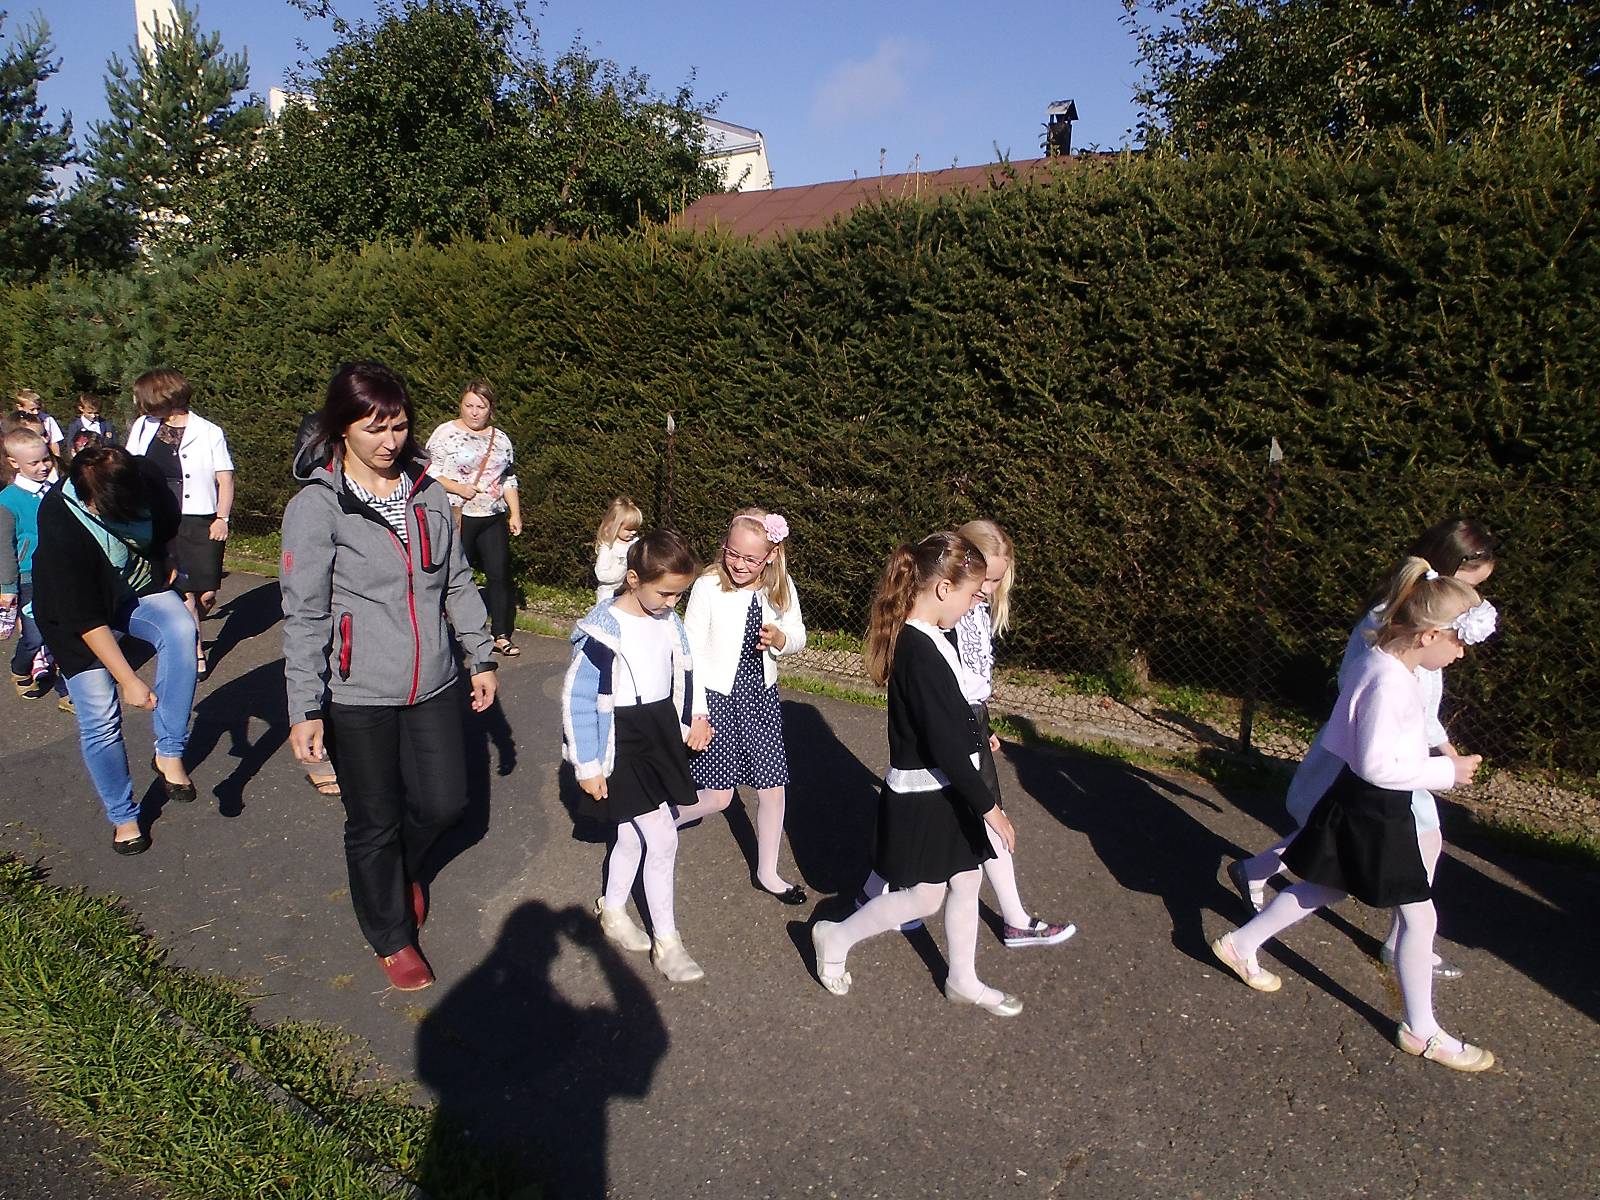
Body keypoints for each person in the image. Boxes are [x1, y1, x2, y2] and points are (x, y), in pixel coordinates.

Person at [1210, 559, 1496, 1072]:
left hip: (1363, 803)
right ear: (1430, 635)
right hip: (1376, 811)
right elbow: (1376, 765)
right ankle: (1422, 1031)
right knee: (1420, 917)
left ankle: (1241, 943)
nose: (1460, 655)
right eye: (1459, 644)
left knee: (1325, 886)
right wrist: (1446, 772)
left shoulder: (1382, 661)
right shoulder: (1392, 682)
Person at [282, 362, 499, 993]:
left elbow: (455, 580)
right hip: (356, 692)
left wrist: (480, 654)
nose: (389, 441)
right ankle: (390, 932)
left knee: (445, 802)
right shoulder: (317, 506)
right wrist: (304, 706)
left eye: (399, 426)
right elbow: (304, 613)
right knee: (372, 820)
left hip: (434, 679)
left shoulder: (427, 492)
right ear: (341, 429)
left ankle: (399, 870)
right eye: (373, 428)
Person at [810, 531, 1022, 1016]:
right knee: (925, 898)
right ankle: (835, 936)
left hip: (947, 791)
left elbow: (952, 717)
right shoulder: (918, 648)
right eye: (972, 594)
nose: (976, 604)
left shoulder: (935, 636)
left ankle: (963, 979)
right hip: (926, 796)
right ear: (944, 589)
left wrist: (977, 736)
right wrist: (991, 809)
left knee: (966, 879)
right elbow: (942, 744)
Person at [562, 528, 713, 984]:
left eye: (679, 594)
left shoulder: (668, 621)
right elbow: (578, 700)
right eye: (665, 593)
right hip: (621, 741)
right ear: (633, 579)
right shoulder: (602, 631)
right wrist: (588, 766)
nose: (672, 602)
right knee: (663, 838)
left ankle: (612, 910)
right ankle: (667, 942)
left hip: (659, 732)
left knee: (631, 834)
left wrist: (696, 715)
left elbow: (686, 670)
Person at [31, 446, 196, 855]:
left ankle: (169, 752)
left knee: (180, 628)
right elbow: (85, 617)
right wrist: (129, 680)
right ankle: (124, 815)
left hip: (131, 589)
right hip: (74, 617)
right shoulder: (60, 519)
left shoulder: (145, 476)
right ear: (92, 501)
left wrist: (170, 558)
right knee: (100, 714)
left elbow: (167, 524)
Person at [674, 508, 808, 903]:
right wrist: (697, 713)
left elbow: (798, 633)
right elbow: (690, 653)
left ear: (771, 555)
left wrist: (781, 639)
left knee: (773, 787)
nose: (739, 564)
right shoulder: (708, 586)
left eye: (750, 558)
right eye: (732, 553)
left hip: (760, 698)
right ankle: (654, 822)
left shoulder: (779, 586)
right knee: (719, 797)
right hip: (716, 699)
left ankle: (768, 872)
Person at [952, 519, 1075, 947]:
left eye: (996, 581)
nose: (988, 589)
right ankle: (1015, 920)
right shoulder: (949, 608)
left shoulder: (976, 608)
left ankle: (875, 894)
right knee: (980, 814)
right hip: (952, 722)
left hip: (970, 719)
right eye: (985, 579)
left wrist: (982, 725)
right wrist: (968, 725)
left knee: (961, 813)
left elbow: (974, 677)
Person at [124, 369, 235, 681]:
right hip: (160, 516)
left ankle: (195, 619)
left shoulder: (209, 431)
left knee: (206, 593)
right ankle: (194, 648)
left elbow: (225, 479)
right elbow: (129, 468)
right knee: (182, 590)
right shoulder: (143, 427)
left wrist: (222, 518)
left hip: (201, 519)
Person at [424, 382, 522, 656]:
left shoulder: (500, 439)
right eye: (469, 406)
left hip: (491, 514)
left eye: (481, 407)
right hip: (457, 514)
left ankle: (501, 634)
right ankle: (447, 632)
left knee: (499, 574)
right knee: (453, 575)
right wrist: (457, 488)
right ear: (461, 405)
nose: (474, 412)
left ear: (490, 409)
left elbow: (508, 478)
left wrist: (515, 512)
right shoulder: (445, 434)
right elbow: (429, 472)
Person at [0, 430, 71, 707]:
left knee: (64, 630)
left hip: (61, 572)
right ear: (14, 462)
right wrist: (8, 587)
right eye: (34, 463)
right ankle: (20, 667)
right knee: (34, 635)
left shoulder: (57, 489)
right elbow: (4, 548)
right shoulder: (7, 501)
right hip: (29, 577)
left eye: (46, 460)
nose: (43, 467)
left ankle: (68, 691)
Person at [592, 497, 642, 603]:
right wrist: (623, 573)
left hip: (629, 592)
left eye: (635, 529)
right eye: (628, 529)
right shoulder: (608, 547)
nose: (633, 532)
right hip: (608, 594)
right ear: (615, 526)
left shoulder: (634, 543)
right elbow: (601, 574)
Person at [12, 390, 63, 458]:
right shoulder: (14, 422)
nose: (36, 412)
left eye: (38, 409)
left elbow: (54, 443)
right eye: (32, 409)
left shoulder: (47, 419)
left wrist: (57, 458)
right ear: (20, 407)